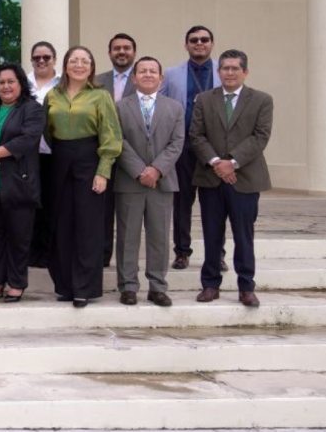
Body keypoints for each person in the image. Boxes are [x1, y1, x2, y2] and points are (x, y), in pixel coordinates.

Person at [191, 49, 273, 308]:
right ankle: (210, 284)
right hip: (210, 177)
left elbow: (260, 136)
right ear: (219, 71)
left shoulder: (262, 100)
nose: (229, 72)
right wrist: (216, 163)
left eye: (234, 68)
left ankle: (246, 286)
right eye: (225, 68)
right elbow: (196, 135)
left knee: (243, 235)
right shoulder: (204, 99)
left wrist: (232, 162)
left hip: (245, 178)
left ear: (245, 72)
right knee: (212, 233)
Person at [44, 46, 123, 308]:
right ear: (65, 65)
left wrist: (103, 171)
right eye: (74, 60)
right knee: (62, 224)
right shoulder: (52, 95)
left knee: (87, 227)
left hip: (90, 159)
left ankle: (84, 287)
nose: (79, 65)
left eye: (85, 61)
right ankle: (65, 285)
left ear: (91, 67)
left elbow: (111, 136)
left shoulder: (100, 96)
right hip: (59, 161)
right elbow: (46, 132)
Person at [114, 56, 183, 307]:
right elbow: (118, 141)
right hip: (129, 181)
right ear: (134, 78)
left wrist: (156, 169)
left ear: (161, 78)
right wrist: (140, 170)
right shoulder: (120, 107)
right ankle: (128, 286)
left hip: (162, 183)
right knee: (127, 236)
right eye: (142, 71)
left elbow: (177, 143)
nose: (148, 75)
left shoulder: (174, 107)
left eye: (153, 71)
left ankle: (157, 287)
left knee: (159, 236)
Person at [0, 64, 45, 303]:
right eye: (1, 82)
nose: (6, 86)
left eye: (11, 81)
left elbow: (28, 139)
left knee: (18, 236)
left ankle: (16, 283)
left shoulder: (31, 108)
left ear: (21, 83)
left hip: (18, 182)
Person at [161, 26, 222, 271]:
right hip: (183, 146)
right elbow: (162, 105)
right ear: (185, 45)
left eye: (204, 39)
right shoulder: (172, 74)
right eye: (193, 40)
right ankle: (182, 251)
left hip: (214, 147)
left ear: (212, 43)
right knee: (181, 202)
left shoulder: (222, 71)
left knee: (215, 204)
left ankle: (217, 254)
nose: (199, 43)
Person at [96, 33, 138, 268]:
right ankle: (103, 257)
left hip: (135, 155)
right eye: (117, 48)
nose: (122, 52)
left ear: (134, 52)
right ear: (110, 52)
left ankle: (127, 261)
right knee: (103, 210)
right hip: (104, 155)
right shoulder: (96, 80)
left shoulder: (144, 79)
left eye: (126, 48)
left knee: (129, 213)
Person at [26, 40, 61, 269]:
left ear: (54, 60)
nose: (41, 61)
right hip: (26, 155)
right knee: (30, 204)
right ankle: (30, 251)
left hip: (53, 153)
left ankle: (48, 251)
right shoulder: (23, 83)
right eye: (37, 57)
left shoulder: (63, 84)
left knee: (51, 204)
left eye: (46, 57)